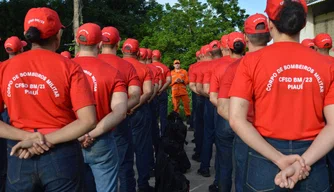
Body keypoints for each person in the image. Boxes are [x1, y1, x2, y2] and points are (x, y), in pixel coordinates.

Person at [229, 0, 334, 190]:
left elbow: (236, 119)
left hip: (265, 157)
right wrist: (302, 162)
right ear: (302, 24)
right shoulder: (328, 65)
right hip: (314, 158)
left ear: (270, 24)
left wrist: (280, 159)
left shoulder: (250, 62)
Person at [2, 7, 97, 191]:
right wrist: (45, 140)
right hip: (61, 153)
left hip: (19, 152)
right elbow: (89, 120)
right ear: (58, 36)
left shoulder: (4, 68)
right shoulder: (70, 68)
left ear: (26, 35)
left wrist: (29, 138)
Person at [217, 13, 271, 192]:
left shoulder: (235, 67)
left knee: (243, 175)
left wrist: (245, 125)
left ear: (246, 38)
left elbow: (222, 107)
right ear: (270, 34)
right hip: (279, 134)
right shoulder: (286, 62)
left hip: (246, 132)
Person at [72, 23, 128, 192]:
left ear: (77, 41)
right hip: (101, 139)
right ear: (100, 44)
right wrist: (90, 133)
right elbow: (120, 111)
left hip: (69, 139)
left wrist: (79, 135)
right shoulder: (112, 72)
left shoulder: (64, 68)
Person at [99, 26, 141, 192]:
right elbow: (136, 96)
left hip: (90, 123)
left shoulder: (84, 62)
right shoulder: (127, 66)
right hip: (119, 122)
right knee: (124, 164)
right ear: (118, 43)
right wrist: (121, 109)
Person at [122, 38, 154, 192]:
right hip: (139, 111)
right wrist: (135, 105)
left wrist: (123, 108)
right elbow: (148, 91)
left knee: (121, 149)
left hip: (117, 113)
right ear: (137, 52)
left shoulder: (114, 65)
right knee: (142, 148)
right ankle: (143, 183)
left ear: (123, 50)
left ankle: (124, 184)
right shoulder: (143, 68)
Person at [151, 50, 171, 136]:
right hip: (162, 93)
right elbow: (169, 80)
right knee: (163, 117)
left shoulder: (148, 67)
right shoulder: (165, 67)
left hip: (152, 95)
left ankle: (154, 136)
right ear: (160, 57)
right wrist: (162, 89)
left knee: (153, 116)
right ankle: (164, 135)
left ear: (152, 57)